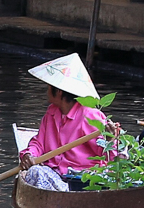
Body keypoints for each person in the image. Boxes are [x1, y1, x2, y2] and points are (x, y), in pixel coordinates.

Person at [18, 54, 120, 188]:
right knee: (34, 172)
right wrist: (29, 154)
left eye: (49, 86)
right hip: (56, 173)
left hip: (83, 178)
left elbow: (108, 155)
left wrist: (111, 141)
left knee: (36, 173)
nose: (47, 90)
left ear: (59, 91)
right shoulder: (51, 113)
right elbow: (39, 143)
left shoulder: (89, 115)